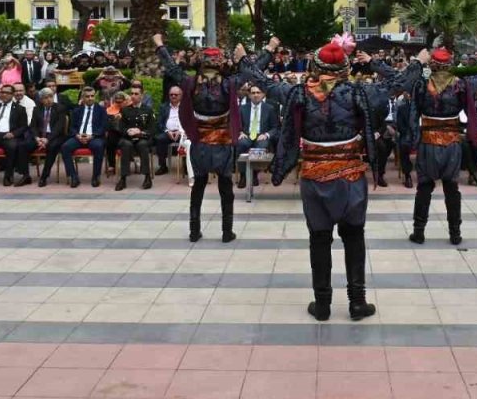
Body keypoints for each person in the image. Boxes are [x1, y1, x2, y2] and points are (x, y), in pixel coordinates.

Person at [245, 36, 382, 322]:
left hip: (314, 176)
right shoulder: (360, 93)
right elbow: (403, 81)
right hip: (350, 176)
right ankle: (357, 303)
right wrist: (374, 62)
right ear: (345, 67)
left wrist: (268, 50)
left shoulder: (298, 94)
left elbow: (256, 76)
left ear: (315, 67)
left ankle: (322, 305)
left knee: (319, 239)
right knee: (354, 237)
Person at [377, 47, 477, 245]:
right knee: (451, 187)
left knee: (424, 187)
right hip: (452, 143)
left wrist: (378, 64)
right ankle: (455, 233)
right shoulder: (462, 85)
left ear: (432, 66)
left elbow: (397, 77)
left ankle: (419, 232)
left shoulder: (421, 85)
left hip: (428, 142)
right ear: (450, 65)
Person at [156, 33, 245, 243]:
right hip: (222, 141)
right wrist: (249, 56)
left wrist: (160, 45)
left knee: (198, 187)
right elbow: (253, 74)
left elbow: (172, 68)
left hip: (200, 141)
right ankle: (226, 232)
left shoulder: (190, 82)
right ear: (221, 63)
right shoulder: (229, 83)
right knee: (226, 188)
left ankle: (194, 232)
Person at [62, 87, 107, 187]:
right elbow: (72, 127)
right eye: (87, 96)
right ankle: (73, 177)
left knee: (99, 146)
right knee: (65, 147)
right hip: (79, 137)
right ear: (83, 97)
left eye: (92, 96)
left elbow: (103, 127)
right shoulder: (77, 110)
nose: (90, 98)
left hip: (94, 137)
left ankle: (95, 176)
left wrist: (92, 136)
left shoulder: (101, 110)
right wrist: (77, 135)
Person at [235, 84, 279, 188]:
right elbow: (236, 125)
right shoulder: (242, 108)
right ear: (249, 95)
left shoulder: (270, 108)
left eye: (258, 92)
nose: (255, 95)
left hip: (261, 135)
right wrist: (240, 132)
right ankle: (243, 176)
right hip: (247, 135)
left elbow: (275, 127)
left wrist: (267, 134)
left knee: (261, 145)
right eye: (253, 93)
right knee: (241, 144)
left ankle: (254, 174)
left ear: (263, 94)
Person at [115, 92, 155, 190]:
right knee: (125, 145)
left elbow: (152, 129)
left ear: (141, 96)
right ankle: (123, 178)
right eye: (132, 93)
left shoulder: (148, 110)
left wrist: (141, 132)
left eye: (136, 94)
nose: (133, 96)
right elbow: (120, 127)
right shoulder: (125, 110)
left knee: (143, 145)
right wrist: (128, 131)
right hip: (128, 138)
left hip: (142, 138)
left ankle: (147, 177)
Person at [30, 88, 69, 188]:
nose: (49, 100)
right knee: (23, 145)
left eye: (51, 97)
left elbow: (59, 127)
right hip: (40, 136)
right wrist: (36, 138)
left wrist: (47, 139)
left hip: (56, 136)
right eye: (46, 98)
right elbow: (33, 126)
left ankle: (44, 176)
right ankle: (25, 175)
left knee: (52, 147)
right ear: (41, 99)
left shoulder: (60, 108)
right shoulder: (37, 109)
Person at [152, 86, 190, 178]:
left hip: (182, 132)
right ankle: (163, 166)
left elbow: (189, 122)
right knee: (160, 139)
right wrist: (167, 130)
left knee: (187, 141)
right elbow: (159, 123)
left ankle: (186, 167)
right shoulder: (164, 107)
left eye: (176, 95)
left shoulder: (186, 107)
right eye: (171, 94)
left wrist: (181, 131)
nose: (173, 96)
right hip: (168, 132)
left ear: (181, 96)